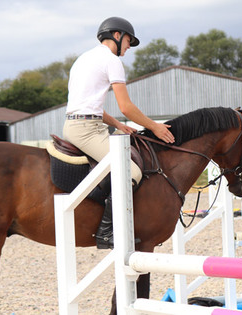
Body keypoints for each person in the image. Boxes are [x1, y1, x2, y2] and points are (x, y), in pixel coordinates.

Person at [63, 17, 175, 249]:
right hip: (87, 130)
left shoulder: (83, 59)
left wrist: (117, 124)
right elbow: (127, 107)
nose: (128, 47)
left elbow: (89, 105)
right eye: (128, 41)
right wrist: (155, 126)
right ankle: (106, 232)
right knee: (132, 172)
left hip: (78, 123)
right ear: (116, 35)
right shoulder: (111, 61)